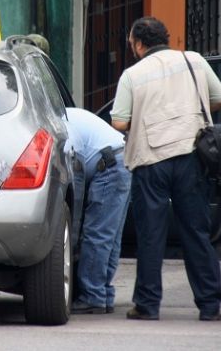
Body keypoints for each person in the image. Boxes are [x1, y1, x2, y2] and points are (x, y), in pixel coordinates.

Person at [110, 16, 221, 322]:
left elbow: (120, 122)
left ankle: (147, 306)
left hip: (151, 161)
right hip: (191, 156)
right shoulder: (194, 61)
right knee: (196, 232)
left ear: (137, 44)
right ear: (167, 37)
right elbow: (220, 98)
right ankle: (210, 306)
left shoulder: (132, 75)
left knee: (151, 235)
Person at [65, 107, 131, 315]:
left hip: (109, 166)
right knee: (110, 237)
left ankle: (92, 296)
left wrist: (71, 236)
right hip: (123, 160)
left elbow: (76, 181)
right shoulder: (68, 115)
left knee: (97, 234)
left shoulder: (61, 126)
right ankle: (103, 295)